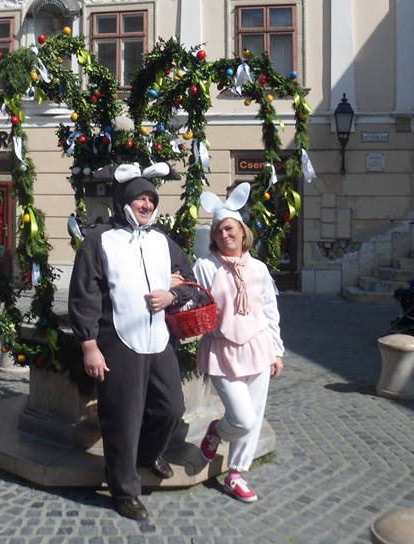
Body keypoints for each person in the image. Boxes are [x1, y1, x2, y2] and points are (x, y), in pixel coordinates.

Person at [67, 163, 202, 522]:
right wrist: (89, 346)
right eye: (140, 198)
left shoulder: (162, 241)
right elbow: (84, 296)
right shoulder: (99, 241)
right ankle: (124, 489)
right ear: (125, 200)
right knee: (122, 418)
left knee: (171, 408)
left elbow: (189, 279)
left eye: (151, 199)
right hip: (117, 340)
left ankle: (146, 454)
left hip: (158, 340)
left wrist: (172, 295)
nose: (146, 204)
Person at [191, 182, 284, 504]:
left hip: (258, 346)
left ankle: (236, 474)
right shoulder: (206, 267)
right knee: (242, 418)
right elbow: (194, 301)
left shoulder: (258, 268)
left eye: (229, 228)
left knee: (254, 416)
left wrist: (276, 351)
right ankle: (217, 431)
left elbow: (269, 310)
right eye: (218, 231)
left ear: (243, 232)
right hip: (222, 349)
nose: (224, 235)